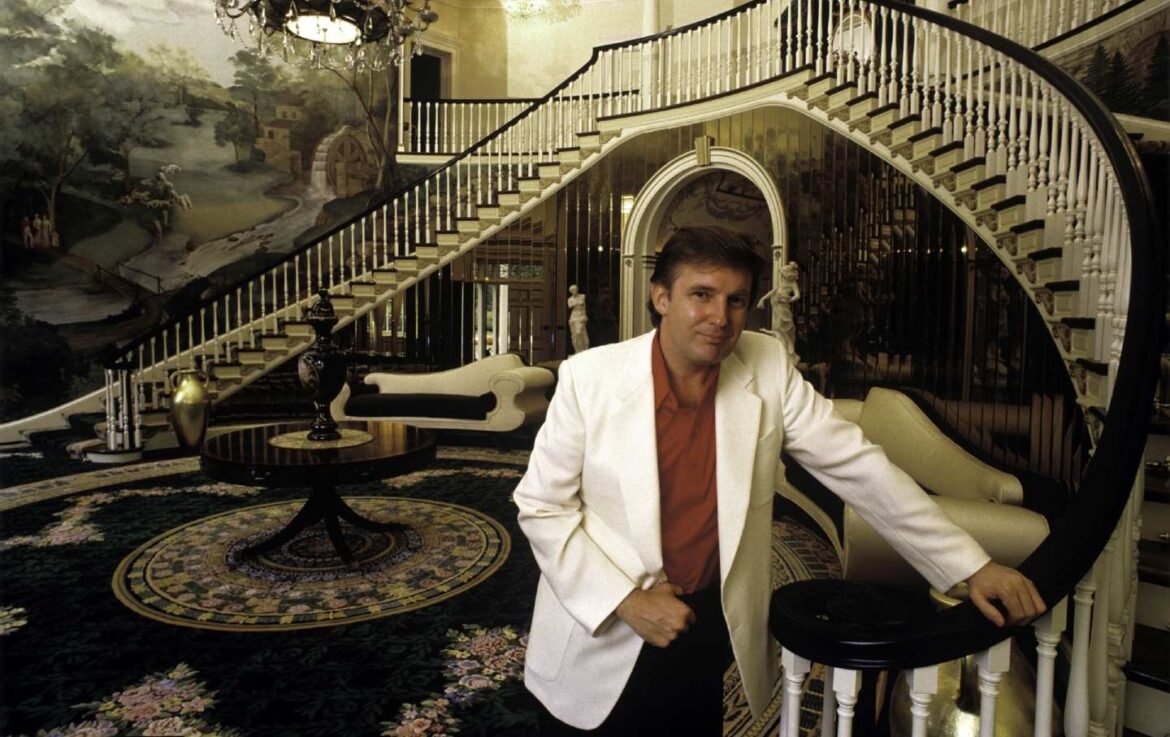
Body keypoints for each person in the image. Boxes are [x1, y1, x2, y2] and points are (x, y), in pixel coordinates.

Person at [513, 226, 1046, 735]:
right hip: (598, 633)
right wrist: (626, 601)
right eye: (701, 295)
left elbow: (859, 466)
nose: (720, 317)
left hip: (704, 623)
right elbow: (541, 507)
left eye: (736, 300)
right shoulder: (590, 379)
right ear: (661, 298)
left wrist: (969, 565)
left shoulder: (766, 363)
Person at [567, 284, 589, 353]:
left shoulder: (582, 296)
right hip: (574, 316)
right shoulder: (570, 299)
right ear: (571, 292)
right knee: (574, 334)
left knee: (579, 332)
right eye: (572, 290)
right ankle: (578, 350)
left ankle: (584, 349)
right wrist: (577, 303)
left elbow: (584, 307)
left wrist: (585, 315)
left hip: (581, 315)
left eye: (575, 290)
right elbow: (570, 306)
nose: (574, 291)